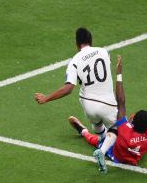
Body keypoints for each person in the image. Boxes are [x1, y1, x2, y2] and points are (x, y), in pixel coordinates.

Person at [34, 27, 119, 155]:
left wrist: (46, 98)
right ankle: (102, 148)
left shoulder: (74, 61)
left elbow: (68, 89)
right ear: (91, 40)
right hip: (109, 104)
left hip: (89, 106)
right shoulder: (104, 52)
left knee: (96, 121)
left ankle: (95, 136)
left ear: (77, 44)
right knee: (119, 134)